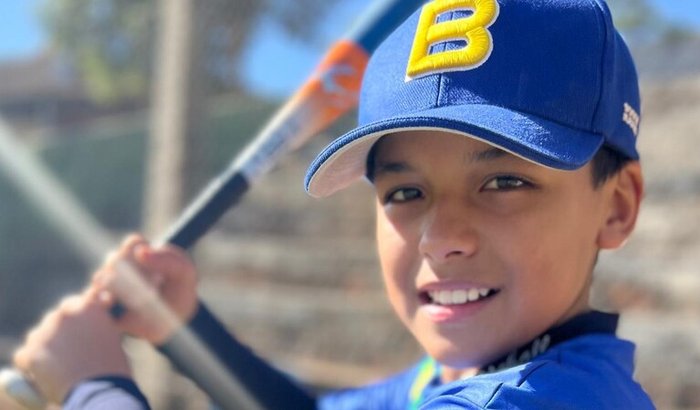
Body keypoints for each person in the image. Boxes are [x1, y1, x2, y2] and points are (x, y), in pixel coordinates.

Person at [11, 0, 655, 408]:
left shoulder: (545, 398)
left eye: (504, 183)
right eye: (405, 192)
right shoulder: (449, 379)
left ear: (617, 207)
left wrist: (92, 387)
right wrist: (183, 330)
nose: (440, 237)